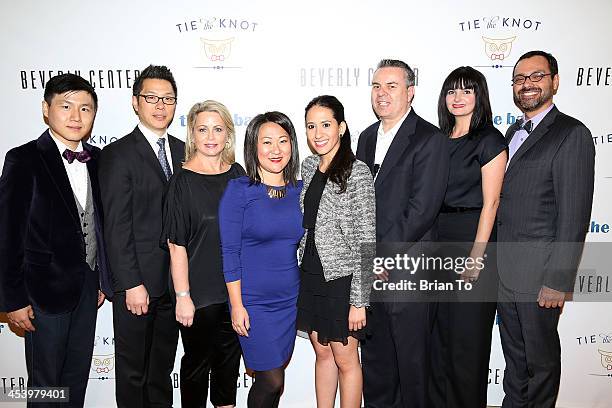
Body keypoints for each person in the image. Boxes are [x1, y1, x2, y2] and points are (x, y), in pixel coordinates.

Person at [0, 73, 112, 407]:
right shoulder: (24, 159)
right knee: (45, 386)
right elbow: (7, 233)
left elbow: (102, 225)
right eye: (66, 106)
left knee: (75, 380)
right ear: (46, 109)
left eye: (85, 108)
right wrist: (12, 300)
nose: (76, 116)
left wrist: (103, 277)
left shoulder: (100, 160)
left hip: (88, 291)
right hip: (41, 294)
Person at [496, 50, 595, 407]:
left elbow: (574, 215)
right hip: (505, 272)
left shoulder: (572, 134)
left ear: (554, 81)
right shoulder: (511, 131)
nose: (527, 85)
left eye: (536, 76)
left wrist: (558, 279)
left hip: (541, 277)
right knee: (515, 365)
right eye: (520, 79)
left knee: (540, 365)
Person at [356, 59, 449, 408]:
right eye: (377, 86)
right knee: (377, 363)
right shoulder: (365, 137)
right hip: (371, 270)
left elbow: (422, 210)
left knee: (412, 366)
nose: (382, 94)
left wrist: (381, 253)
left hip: (408, 269)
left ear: (410, 92)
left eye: (391, 86)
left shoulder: (429, 139)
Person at [98, 65, 184, 408]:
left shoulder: (184, 151)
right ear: (136, 102)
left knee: (161, 371)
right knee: (133, 373)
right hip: (137, 284)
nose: (160, 106)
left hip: (175, 286)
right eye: (151, 98)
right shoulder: (118, 154)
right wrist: (131, 283)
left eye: (168, 99)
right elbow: (116, 227)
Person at [428, 66, 507, 408]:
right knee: (437, 342)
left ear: (480, 96)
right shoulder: (438, 140)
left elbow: (491, 203)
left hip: (472, 242)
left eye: (466, 91)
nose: (457, 98)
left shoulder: (490, 139)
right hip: (437, 243)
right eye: (451, 91)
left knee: (466, 346)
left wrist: (476, 256)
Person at [161, 100, 244, 408]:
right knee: (196, 368)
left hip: (234, 292)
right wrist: (183, 295)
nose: (211, 136)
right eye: (203, 129)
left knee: (228, 367)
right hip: (198, 295)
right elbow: (176, 244)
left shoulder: (237, 174)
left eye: (218, 129)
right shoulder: (181, 182)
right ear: (192, 135)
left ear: (228, 135)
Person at [219, 111, 303, 408]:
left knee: (273, 381)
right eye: (267, 142)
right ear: (253, 147)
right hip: (252, 302)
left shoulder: (299, 190)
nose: (276, 150)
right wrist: (237, 304)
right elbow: (229, 252)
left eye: (283, 141)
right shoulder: (240, 191)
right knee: (272, 380)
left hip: (289, 300)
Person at [297, 95, 375, 407]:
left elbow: (367, 240)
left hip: (343, 279)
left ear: (341, 127)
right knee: (322, 353)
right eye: (311, 126)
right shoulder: (308, 165)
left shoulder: (357, 172)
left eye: (326, 124)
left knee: (346, 359)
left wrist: (359, 301)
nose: (318, 133)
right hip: (311, 272)